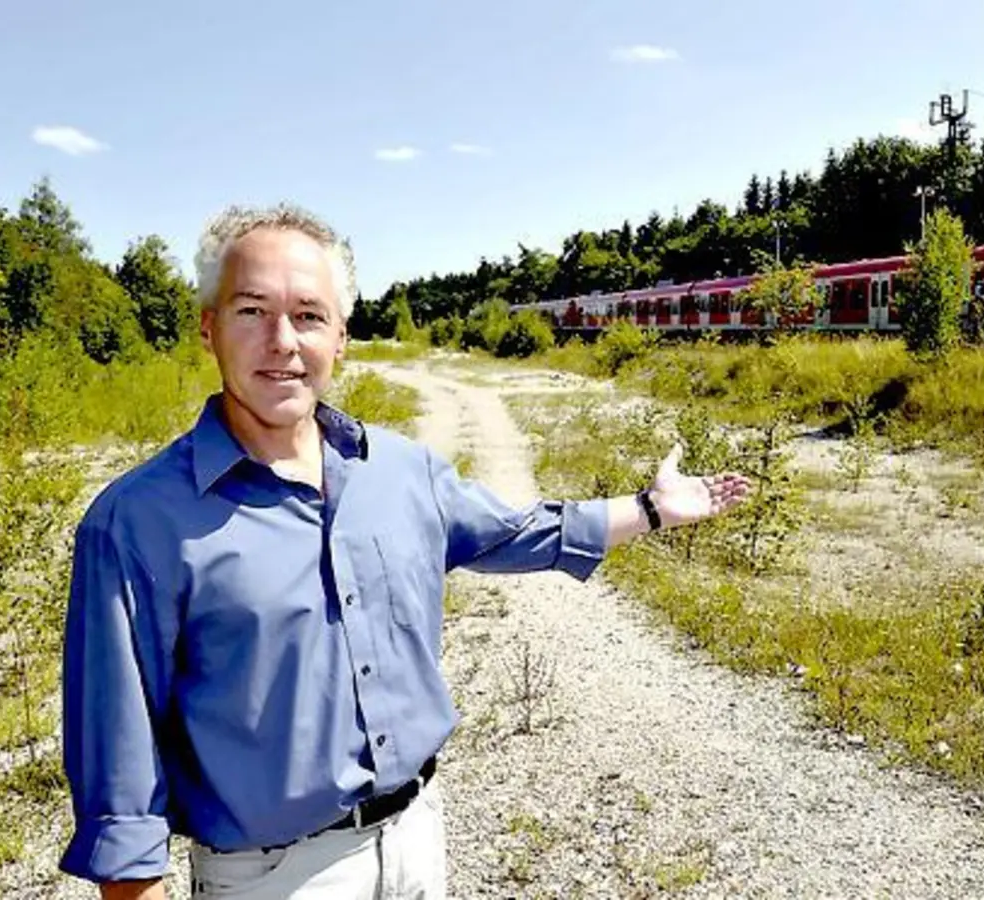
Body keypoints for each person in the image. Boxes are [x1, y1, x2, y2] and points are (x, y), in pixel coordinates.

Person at [58, 203, 753, 900]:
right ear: (209, 328)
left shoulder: (400, 471)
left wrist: (651, 509)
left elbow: (517, 531)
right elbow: (119, 767)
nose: (282, 341)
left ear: (342, 337)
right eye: (251, 311)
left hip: (417, 840)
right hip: (273, 878)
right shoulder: (135, 522)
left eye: (308, 315)